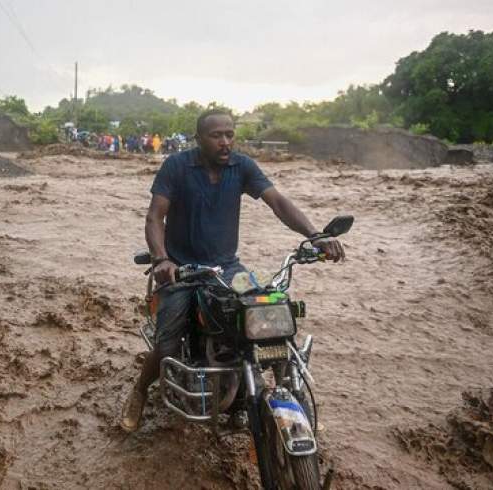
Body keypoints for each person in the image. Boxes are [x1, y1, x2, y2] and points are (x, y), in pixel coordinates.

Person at [119, 109, 345, 432]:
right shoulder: (177, 167)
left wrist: (315, 235)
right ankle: (140, 392)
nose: (225, 142)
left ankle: (291, 397)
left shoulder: (242, 167)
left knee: (268, 317)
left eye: (230, 134)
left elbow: (277, 202)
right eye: (216, 136)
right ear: (199, 139)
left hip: (227, 267)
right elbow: (155, 217)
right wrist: (161, 260)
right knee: (167, 340)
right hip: (182, 269)